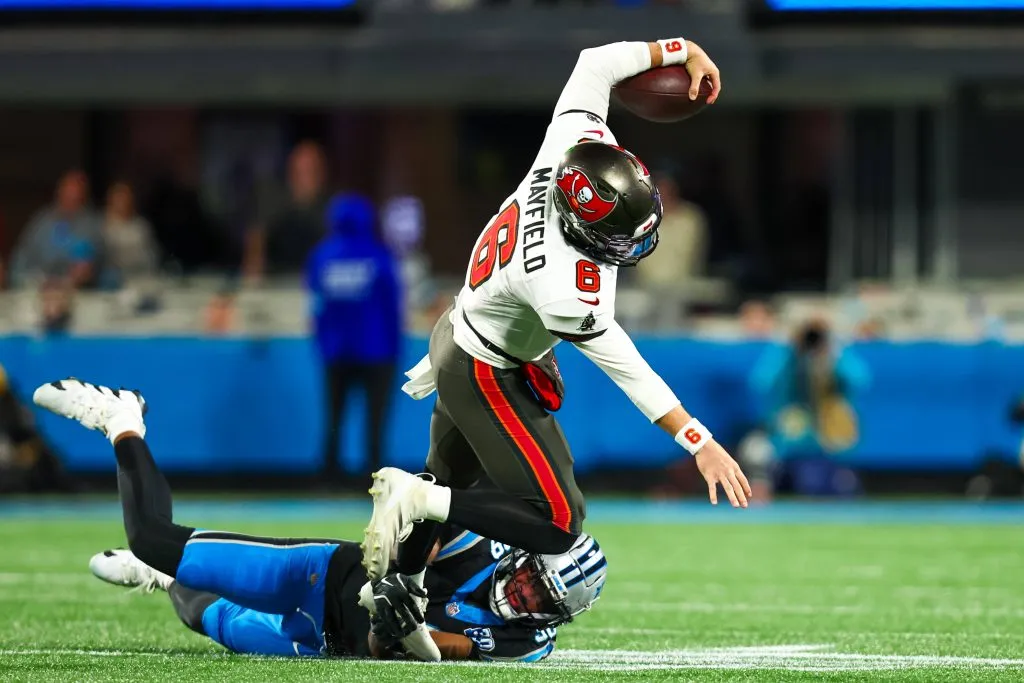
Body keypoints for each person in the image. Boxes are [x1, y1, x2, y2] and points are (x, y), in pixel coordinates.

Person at [358, 38, 751, 659]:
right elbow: (627, 368)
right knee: (558, 519)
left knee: (451, 475)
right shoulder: (566, 285)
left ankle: (400, 588)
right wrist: (699, 442)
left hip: (464, 331)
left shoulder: (572, 144)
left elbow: (597, 61)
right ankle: (417, 499)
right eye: (619, 236)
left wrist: (679, 49)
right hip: (486, 366)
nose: (630, 246)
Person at [33, 377, 605, 661]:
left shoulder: (530, 641)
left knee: (203, 616)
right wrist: (403, 570)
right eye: (534, 580)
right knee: (153, 539)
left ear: (559, 615)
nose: (526, 595)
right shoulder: (482, 545)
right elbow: (422, 527)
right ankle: (123, 419)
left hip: (329, 644)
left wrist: (403, 631)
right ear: (526, 558)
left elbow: (442, 651)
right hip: (322, 577)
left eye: (542, 600)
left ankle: (163, 578)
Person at [306, 194, 402, 482]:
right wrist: (395, 347)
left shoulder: (321, 257)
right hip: (377, 350)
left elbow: (316, 305)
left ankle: (329, 474)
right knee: (376, 419)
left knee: (334, 416)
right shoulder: (379, 256)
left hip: (336, 351)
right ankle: (374, 476)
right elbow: (392, 305)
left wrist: (322, 343)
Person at [244, 141, 330, 281]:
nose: (305, 179)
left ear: (322, 174)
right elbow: (256, 248)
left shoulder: (333, 210)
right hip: (277, 282)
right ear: (290, 173)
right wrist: (253, 272)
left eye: (311, 171)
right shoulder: (272, 205)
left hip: (318, 281)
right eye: (299, 172)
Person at [9, 170, 102, 289]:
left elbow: (93, 262)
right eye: (67, 194)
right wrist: (30, 280)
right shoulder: (41, 222)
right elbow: (20, 259)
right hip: (37, 287)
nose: (71, 200)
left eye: (76, 196)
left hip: (77, 289)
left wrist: (81, 274)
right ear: (59, 193)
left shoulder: (91, 226)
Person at [100, 181, 160, 291]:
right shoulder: (103, 226)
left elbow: (152, 255)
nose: (122, 202)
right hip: (115, 283)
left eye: (125, 198)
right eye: (118, 198)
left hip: (144, 279)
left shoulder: (141, 226)